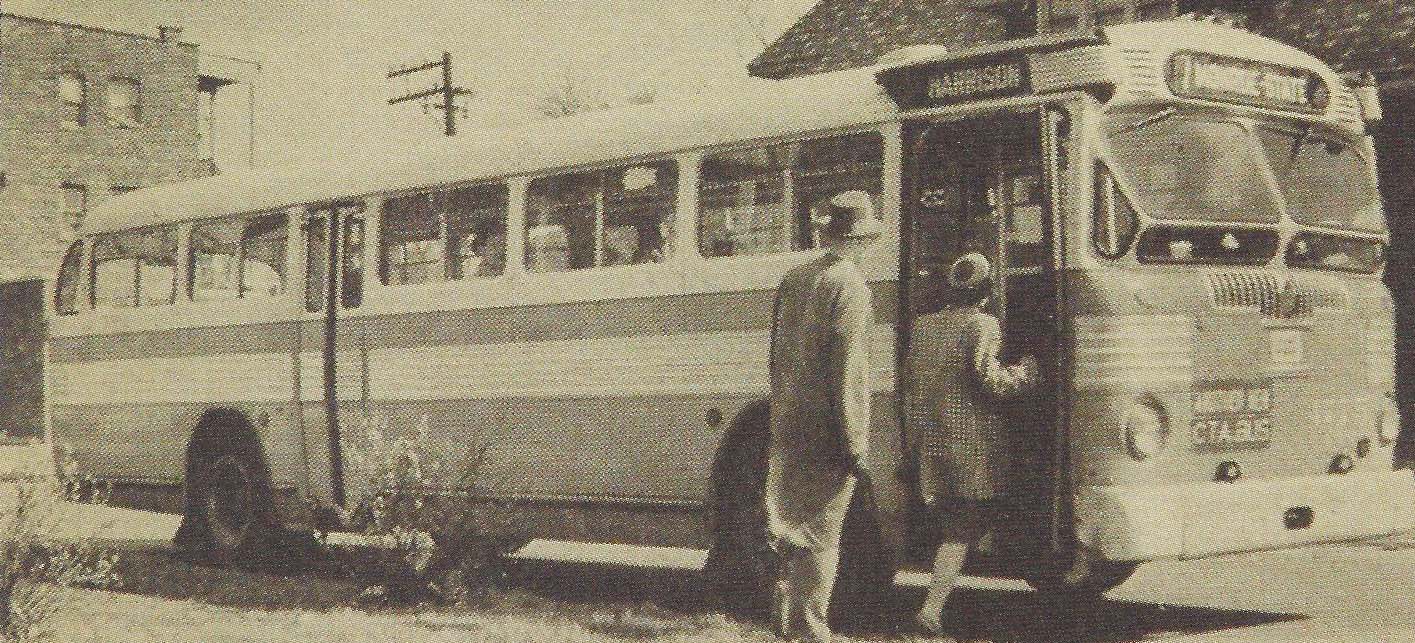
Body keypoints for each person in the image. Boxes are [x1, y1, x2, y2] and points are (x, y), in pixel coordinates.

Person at [764, 190, 883, 643]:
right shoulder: (850, 286)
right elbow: (849, 371)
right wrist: (855, 444)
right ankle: (810, 630)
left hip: (788, 420)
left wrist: (782, 409)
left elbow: (775, 354)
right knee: (821, 534)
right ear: (861, 240)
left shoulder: (795, 276)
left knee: (790, 526)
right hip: (828, 430)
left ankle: (785, 623)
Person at [905, 252, 1038, 635]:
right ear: (988, 291)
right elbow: (992, 382)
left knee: (959, 521)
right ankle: (931, 609)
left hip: (932, 439)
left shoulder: (923, 326)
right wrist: (1027, 371)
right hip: (972, 444)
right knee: (962, 527)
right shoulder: (982, 326)